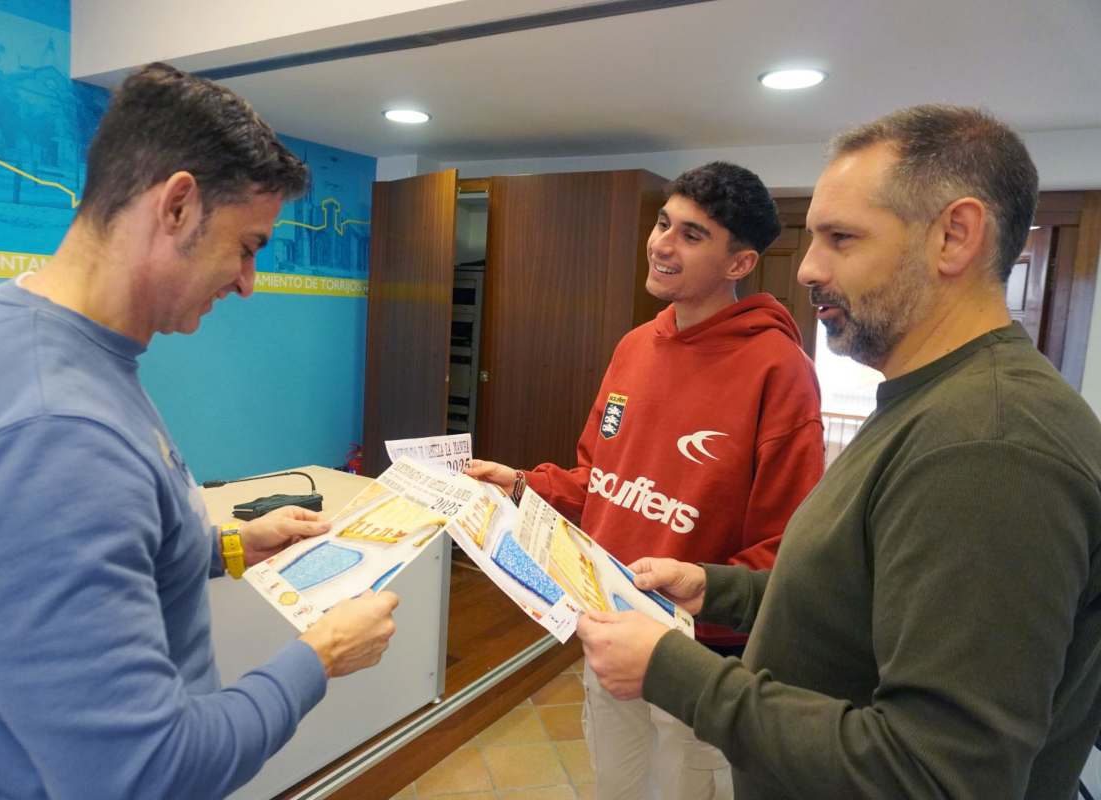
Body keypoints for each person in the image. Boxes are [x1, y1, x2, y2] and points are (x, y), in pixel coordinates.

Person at [0, 63, 399, 800]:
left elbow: (102, 558)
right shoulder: (49, 438)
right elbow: (143, 775)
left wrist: (226, 546)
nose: (247, 282)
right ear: (176, 206)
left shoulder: (15, 334)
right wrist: (318, 658)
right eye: (247, 245)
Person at [577, 104, 1101, 799]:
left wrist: (676, 671)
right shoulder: (930, 402)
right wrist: (717, 587)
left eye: (841, 238)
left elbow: (938, 773)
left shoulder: (991, 444)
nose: (809, 269)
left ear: (955, 236)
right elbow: (860, 592)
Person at [468, 162, 825, 800]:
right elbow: (599, 482)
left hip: (702, 656)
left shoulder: (779, 369)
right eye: (664, 223)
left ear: (739, 264)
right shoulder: (635, 347)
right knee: (615, 786)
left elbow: (787, 548)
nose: (661, 243)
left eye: (692, 235)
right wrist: (522, 484)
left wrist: (702, 602)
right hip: (608, 624)